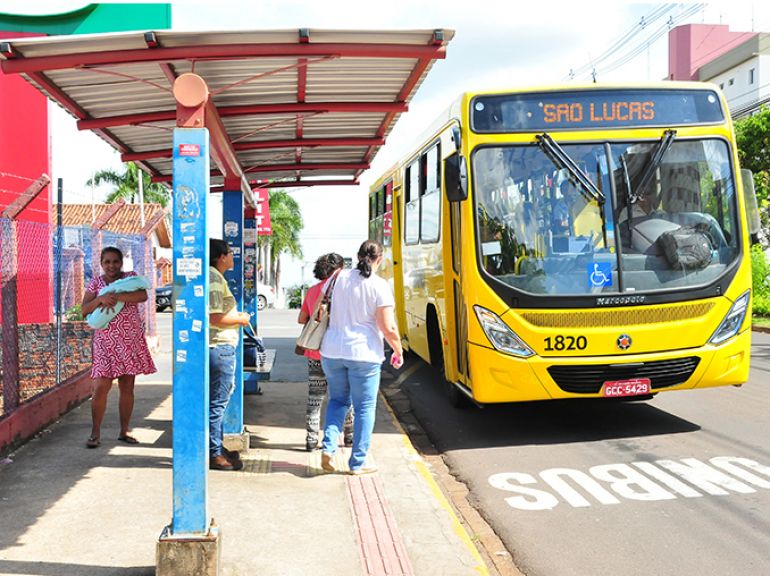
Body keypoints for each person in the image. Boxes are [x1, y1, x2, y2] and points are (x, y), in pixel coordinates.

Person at [319, 240, 404, 475]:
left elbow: (320, 310)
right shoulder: (379, 285)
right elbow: (387, 327)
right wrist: (398, 350)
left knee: (337, 401)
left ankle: (328, 448)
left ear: (357, 256)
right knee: (364, 407)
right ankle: (357, 463)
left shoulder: (337, 278)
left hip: (332, 351)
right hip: (364, 354)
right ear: (380, 259)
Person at [81, 246, 157, 448]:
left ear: (121, 263)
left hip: (129, 341)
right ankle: (95, 433)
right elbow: (84, 310)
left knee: (127, 387)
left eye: (115, 261)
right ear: (101, 264)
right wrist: (99, 299)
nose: (111, 266)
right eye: (107, 262)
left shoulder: (130, 279)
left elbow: (142, 295)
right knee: (101, 387)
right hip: (105, 343)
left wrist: (115, 296)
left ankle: (124, 431)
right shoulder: (96, 283)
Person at [298, 253, 354, 452]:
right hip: (338, 353)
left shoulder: (313, 291)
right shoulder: (345, 291)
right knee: (342, 396)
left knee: (315, 398)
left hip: (315, 353)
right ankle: (349, 436)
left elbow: (302, 318)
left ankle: (311, 439)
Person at [208, 239, 251, 471]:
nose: (233, 257)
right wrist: (241, 319)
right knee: (218, 403)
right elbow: (215, 317)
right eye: (231, 253)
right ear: (221, 256)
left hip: (220, 347)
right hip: (220, 347)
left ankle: (217, 446)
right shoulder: (214, 278)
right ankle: (214, 453)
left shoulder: (215, 277)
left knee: (217, 402)